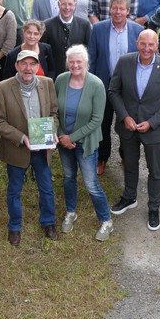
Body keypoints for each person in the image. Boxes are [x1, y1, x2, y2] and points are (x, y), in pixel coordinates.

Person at [108, 29, 160, 231]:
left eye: (151, 45)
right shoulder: (125, 61)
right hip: (128, 127)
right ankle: (130, 197)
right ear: (137, 43)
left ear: (157, 46)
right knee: (130, 164)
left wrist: (152, 122)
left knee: (155, 171)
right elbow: (114, 91)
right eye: (143, 44)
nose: (147, 48)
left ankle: (154, 207)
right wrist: (124, 116)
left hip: (153, 130)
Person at [0, 50, 59, 245]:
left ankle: (48, 222)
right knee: (14, 190)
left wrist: (52, 132)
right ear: (16, 66)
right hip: (18, 148)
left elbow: (54, 113)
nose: (28, 68)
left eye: (32, 64)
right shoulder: (2, 88)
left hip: (42, 148)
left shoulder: (47, 84)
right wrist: (21, 137)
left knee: (46, 188)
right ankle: (14, 226)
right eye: (24, 63)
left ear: (38, 66)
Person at [55, 45, 113, 241]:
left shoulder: (96, 84)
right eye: (71, 61)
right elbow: (55, 110)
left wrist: (73, 138)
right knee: (69, 177)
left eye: (79, 61)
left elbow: (97, 119)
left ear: (86, 63)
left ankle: (106, 221)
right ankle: (71, 212)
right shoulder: (61, 80)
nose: (75, 65)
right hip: (64, 140)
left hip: (85, 142)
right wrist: (63, 136)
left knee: (91, 184)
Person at [88, 0, 144, 176]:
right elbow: (93, 58)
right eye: (115, 8)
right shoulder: (98, 29)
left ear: (128, 11)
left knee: (126, 123)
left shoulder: (137, 31)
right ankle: (102, 158)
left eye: (122, 9)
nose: (118, 12)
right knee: (102, 123)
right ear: (110, 9)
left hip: (128, 87)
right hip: (104, 83)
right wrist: (92, 85)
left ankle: (125, 157)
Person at [41, 0, 91, 79]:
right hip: (54, 76)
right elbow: (43, 52)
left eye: (70, 4)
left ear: (75, 5)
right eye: (64, 4)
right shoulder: (47, 25)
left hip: (78, 75)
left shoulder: (84, 25)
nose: (67, 7)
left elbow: (89, 51)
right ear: (59, 4)